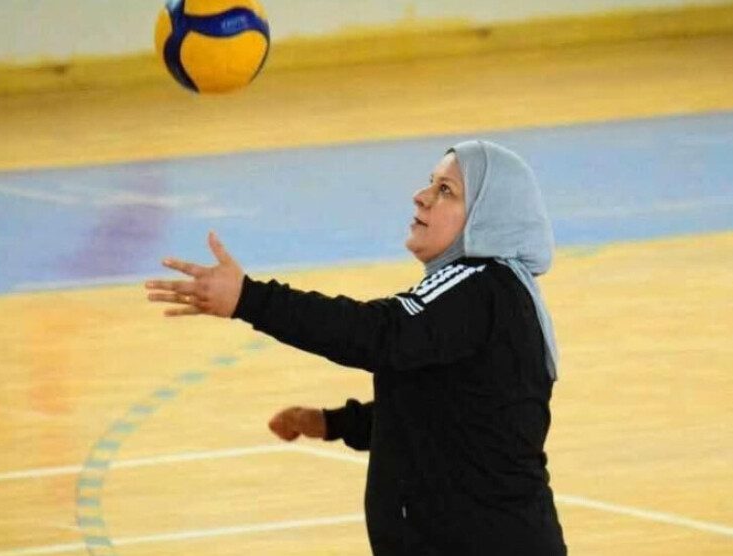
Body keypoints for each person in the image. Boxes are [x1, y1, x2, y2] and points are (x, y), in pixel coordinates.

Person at [145, 140, 567, 555]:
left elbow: (377, 334)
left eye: (446, 190)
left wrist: (250, 299)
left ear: (487, 215)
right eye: (431, 182)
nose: (421, 196)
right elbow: (444, 414)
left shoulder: (478, 287)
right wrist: (336, 423)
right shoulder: (489, 291)